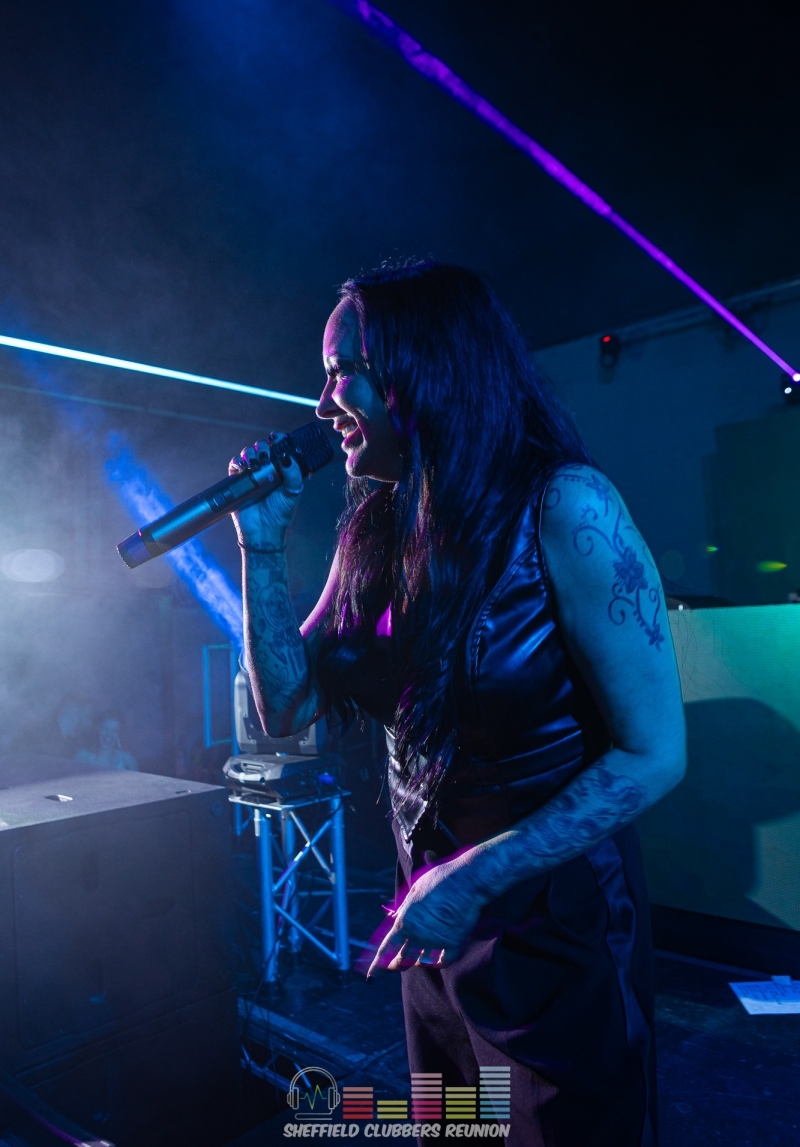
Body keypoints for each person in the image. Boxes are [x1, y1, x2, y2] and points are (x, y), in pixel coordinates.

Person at [230, 262, 686, 1146]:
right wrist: (262, 547)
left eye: (343, 372)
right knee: (459, 1131)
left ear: (424, 368)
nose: (324, 405)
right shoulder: (374, 530)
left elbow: (655, 752)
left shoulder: (566, 505)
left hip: (553, 928)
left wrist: (474, 876)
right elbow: (286, 708)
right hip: (436, 930)